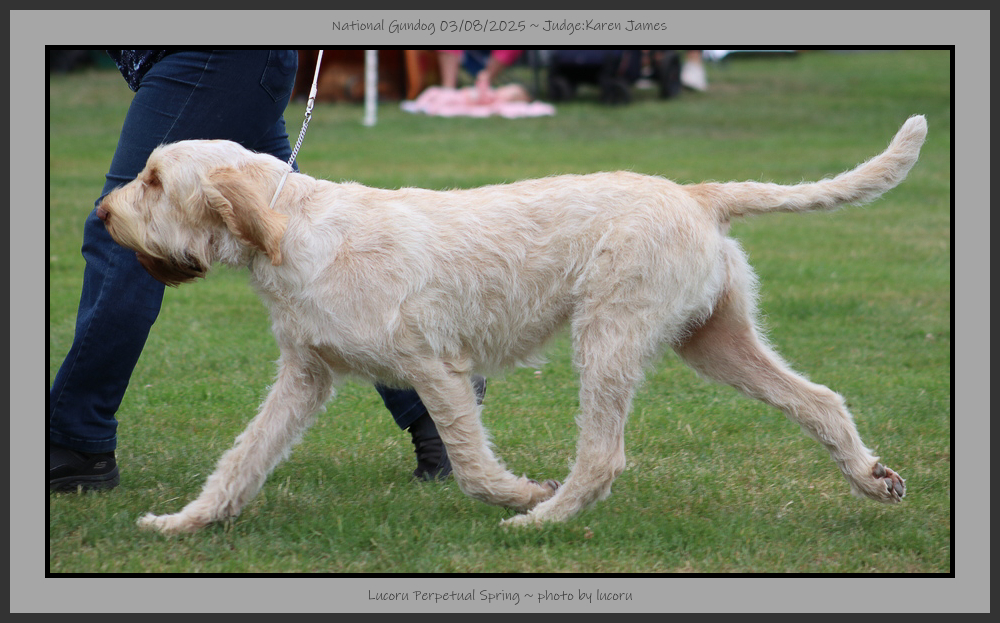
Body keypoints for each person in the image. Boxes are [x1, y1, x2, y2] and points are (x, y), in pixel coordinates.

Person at [49, 49, 467, 492]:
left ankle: (75, 439)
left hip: (211, 50)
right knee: (291, 230)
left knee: (122, 227)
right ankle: (431, 404)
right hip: (233, 55)